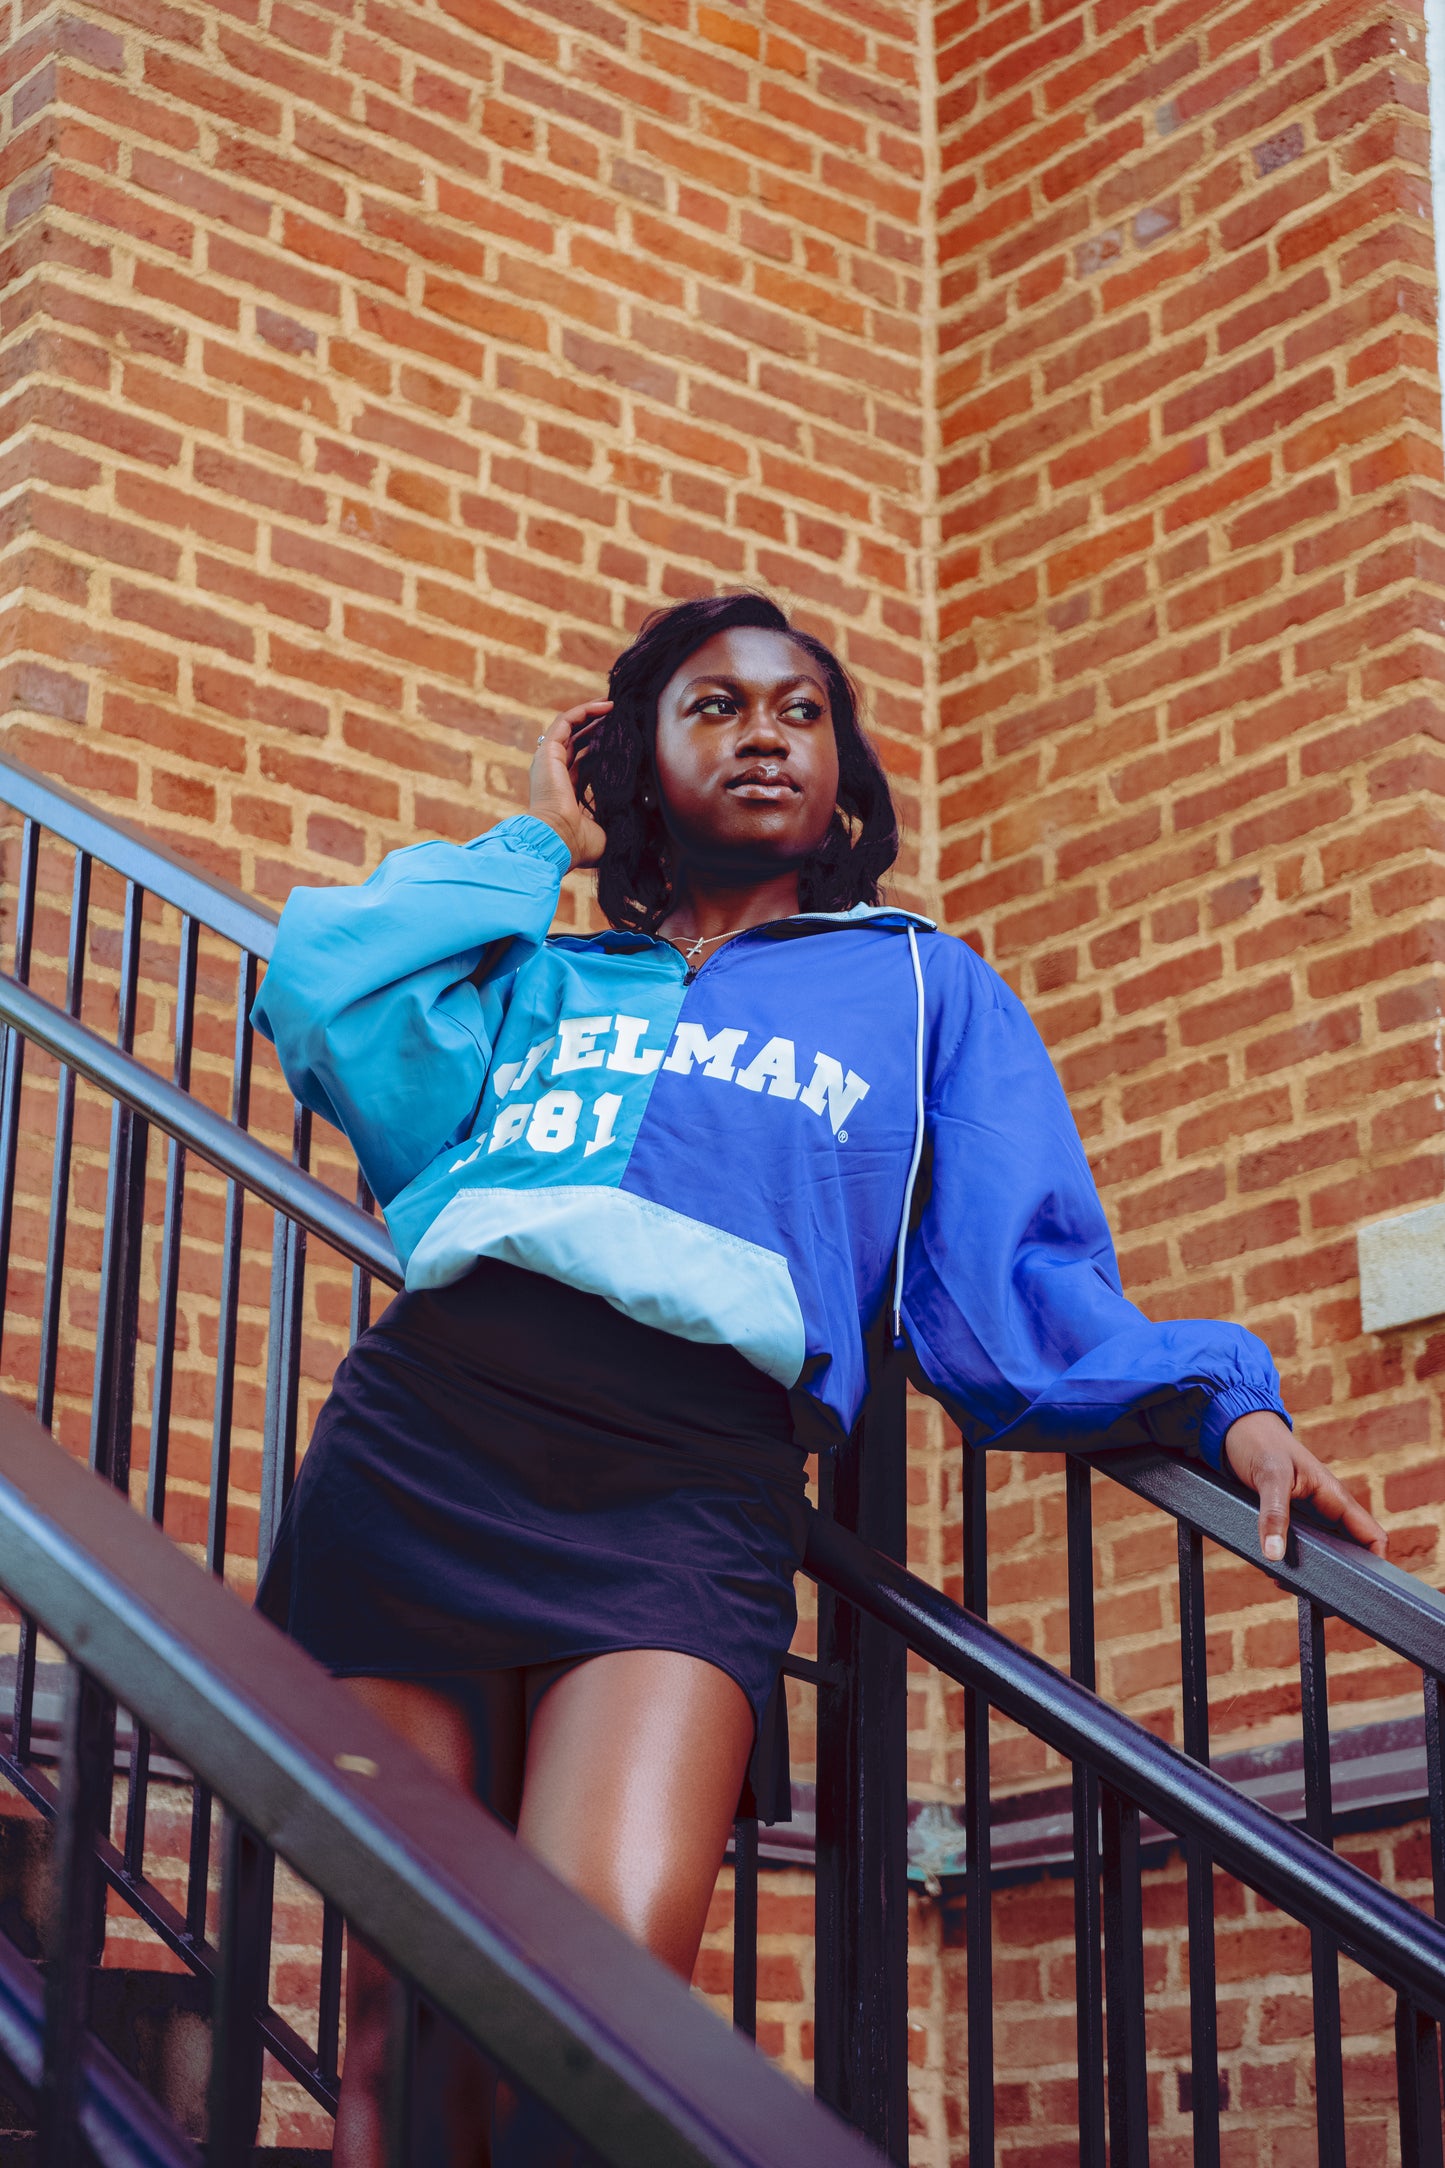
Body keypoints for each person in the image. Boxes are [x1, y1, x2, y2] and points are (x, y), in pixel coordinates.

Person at [253, 590, 1386, 2163]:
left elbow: (1012, 1281)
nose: (764, 734)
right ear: (632, 759)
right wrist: (536, 838)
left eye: (798, 709)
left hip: (685, 1495)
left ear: (844, 771)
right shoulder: (542, 977)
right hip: (423, 1455)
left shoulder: (915, 987)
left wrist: (1221, 1398)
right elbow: (323, 991)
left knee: (591, 1992)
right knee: (395, 2013)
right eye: (709, 707)